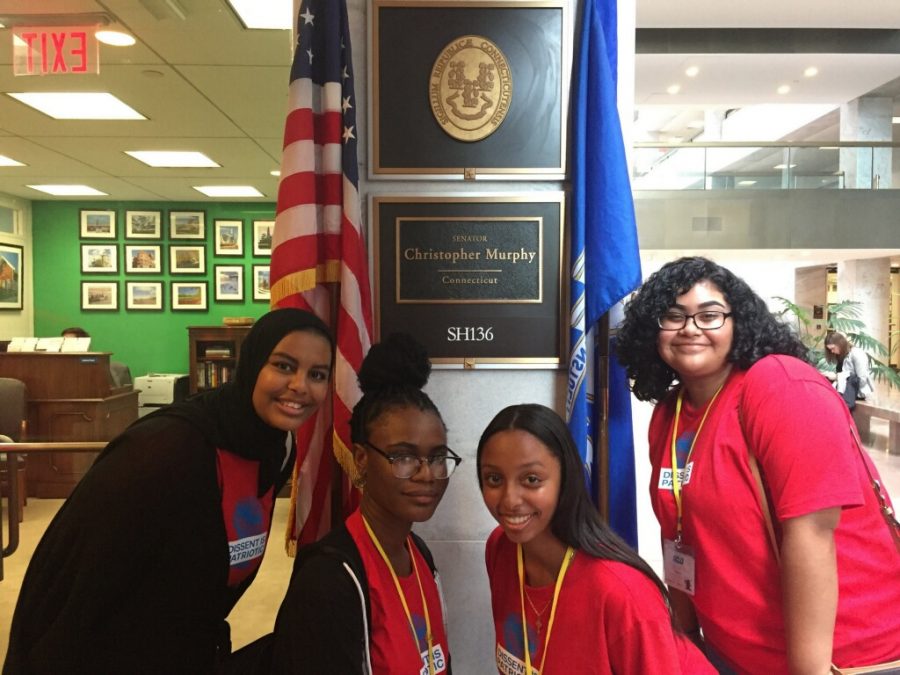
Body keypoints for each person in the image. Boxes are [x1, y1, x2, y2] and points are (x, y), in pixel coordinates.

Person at [4, 308, 335, 674]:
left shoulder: (278, 447)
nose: (300, 386)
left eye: (317, 374)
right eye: (284, 366)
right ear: (253, 363)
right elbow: (72, 580)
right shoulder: (166, 450)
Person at [616, 256, 900, 674]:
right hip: (731, 653)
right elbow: (676, 532)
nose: (691, 328)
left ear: (739, 323)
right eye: (673, 317)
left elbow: (813, 537)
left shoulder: (779, 385)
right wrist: (687, 639)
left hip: (845, 658)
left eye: (710, 315)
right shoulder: (670, 415)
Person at [246, 332, 457, 674]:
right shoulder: (329, 582)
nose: (426, 474)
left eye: (436, 457)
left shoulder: (418, 554)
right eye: (403, 456)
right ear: (360, 459)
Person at [477, 403, 714, 675]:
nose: (509, 499)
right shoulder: (501, 549)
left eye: (531, 479)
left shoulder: (622, 592)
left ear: (565, 478)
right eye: (494, 479)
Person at [824, 331, 874, 409]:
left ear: (841, 344)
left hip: (857, 393)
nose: (832, 351)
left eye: (833, 348)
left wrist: (837, 376)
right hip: (844, 390)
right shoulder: (842, 355)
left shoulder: (856, 354)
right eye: (830, 350)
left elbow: (861, 380)